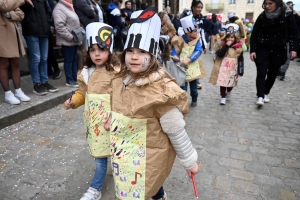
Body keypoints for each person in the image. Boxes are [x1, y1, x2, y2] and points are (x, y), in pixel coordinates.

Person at [104, 7, 198, 200]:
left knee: (149, 184)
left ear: (153, 55)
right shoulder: (121, 80)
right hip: (125, 153)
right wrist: (111, 118)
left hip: (149, 155)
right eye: (130, 51)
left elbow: (175, 128)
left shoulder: (160, 91)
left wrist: (189, 161)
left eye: (141, 51)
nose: (134, 56)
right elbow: (120, 105)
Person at [64, 22, 120, 200]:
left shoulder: (115, 72)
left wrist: (114, 116)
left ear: (109, 50)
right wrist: (73, 101)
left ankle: (97, 187)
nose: (97, 54)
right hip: (94, 124)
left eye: (101, 50)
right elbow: (82, 93)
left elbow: (121, 98)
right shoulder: (85, 72)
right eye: (93, 49)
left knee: (116, 154)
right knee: (100, 157)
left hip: (111, 122)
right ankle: (97, 190)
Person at [250, 0, 298, 106]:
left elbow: (294, 32)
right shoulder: (262, 16)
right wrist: (253, 50)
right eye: (266, 4)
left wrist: (293, 49)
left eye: (270, 4)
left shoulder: (287, 15)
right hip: (262, 48)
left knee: (272, 73)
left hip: (278, 49)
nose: (267, 6)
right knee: (261, 72)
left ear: (277, 3)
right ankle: (260, 96)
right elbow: (255, 33)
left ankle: (266, 92)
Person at [20, 0, 58, 95]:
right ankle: (36, 84)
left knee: (44, 59)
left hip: (44, 31)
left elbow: (48, 11)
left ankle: (44, 82)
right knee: (36, 59)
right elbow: (20, 12)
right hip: (31, 31)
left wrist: (48, 24)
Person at [0, 0, 31, 104]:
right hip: (2, 32)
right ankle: (8, 93)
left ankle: (18, 91)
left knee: (15, 62)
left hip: (13, 32)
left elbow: (20, 14)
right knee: (3, 64)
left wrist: (9, 14)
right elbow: (4, 6)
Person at [171, 14, 205, 107]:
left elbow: (199, 50)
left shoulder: (197, 40)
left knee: (194, 88)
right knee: (183, 88)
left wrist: (190, 59)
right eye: (194, 31)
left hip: (192, 68)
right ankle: (183, 102)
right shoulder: (180, 40)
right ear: (188, 32)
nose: (197, 32)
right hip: (182, 69)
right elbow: (174, 51)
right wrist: (174, 56)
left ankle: (194, 99)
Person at [209, 24, 243, 105]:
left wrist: (241, 70)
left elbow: (241, 59)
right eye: (228, 37)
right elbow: (219, 54)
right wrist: (226, 46)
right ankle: (223, 97)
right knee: (223, 83)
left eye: (232, 37)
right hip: (223, 69)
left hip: (232, 69)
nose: (230, 39)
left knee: (230, 84)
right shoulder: (222, 46)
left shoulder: (238, 48)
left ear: (235, 38)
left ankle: (229, 91)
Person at [179, 0, 208, 90]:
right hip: (186, 41)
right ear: (193, 7)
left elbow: (201, 32)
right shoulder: (186, 15)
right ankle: (184, 80)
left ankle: (195, 79)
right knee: (185, 61)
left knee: (195, 60)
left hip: (196, 41)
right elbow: (180, 29)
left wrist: (204, 45)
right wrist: (186, 38)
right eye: (198, 7)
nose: (200, 9)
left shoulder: (201, 18)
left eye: (201, 8)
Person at [53, 0, 81, 87]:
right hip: (68, 40)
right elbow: (59, 26)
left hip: (74, 39)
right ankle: (69, 80)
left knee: (74, 59)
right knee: (69, 60)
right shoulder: (59, 8)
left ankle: (74, 78)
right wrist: (70, 37)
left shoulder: (69, 6)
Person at [278, 1, 300, 80]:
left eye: (291, 5)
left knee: (287, 56)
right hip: (280, 38)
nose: (290, 6)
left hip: (289, 38)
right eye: (289, 5)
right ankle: (278, 70)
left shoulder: (293, 14)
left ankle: (282, 72)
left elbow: (296, 27)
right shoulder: (281, 13)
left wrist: (296, 15)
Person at [47, 0, 61, 80]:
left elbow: (53, 13)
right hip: (37, 29)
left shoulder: (49, 1)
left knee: (49, 51)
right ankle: (48, 70)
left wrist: (52, 26)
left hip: (47, 28)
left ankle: (56, 68)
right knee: (43, 54)